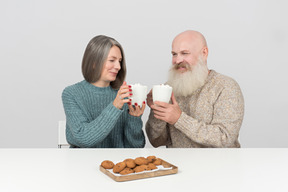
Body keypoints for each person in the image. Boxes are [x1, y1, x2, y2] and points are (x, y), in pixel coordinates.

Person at [145, 30, 244, 148]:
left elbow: (224, 138)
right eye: (174, 54)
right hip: (178, 164)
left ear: (204, 53)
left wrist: (179, 119)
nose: (177, 60)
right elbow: (156, 141)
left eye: (185, 53)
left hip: (218, 165)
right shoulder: (169, 88)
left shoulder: (226, 86)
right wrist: (157, 113)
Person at [62, 35, 146, 148]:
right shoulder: (72, 93)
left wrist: (134, 118)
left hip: (117, 163)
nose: (118, 66)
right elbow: (84, 138)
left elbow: (136, 147)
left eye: (120, 61)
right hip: (81, 163)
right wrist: (115, 106)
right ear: (94, 62)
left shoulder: (124, 94)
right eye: (112, 60)